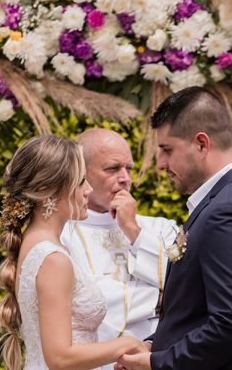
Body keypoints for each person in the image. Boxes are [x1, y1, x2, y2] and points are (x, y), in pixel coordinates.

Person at [117, 86, 232, 370]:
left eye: (167, 150)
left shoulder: (228, 212)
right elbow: (197, 311)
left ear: (201, 144)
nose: (160, 164)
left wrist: (159, 363)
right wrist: (154, 344)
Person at [0, 135, 147, 370]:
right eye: (81, 181)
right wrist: (127, 344)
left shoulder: (33, 243)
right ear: (47, 191)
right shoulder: (53, 259)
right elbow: (60, 357)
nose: (89, 190)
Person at [60, 129, 178, 368]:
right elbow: (81, 307)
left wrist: (133, 230)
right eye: (112, 169)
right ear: (81, 172)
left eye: (129, 169)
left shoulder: (162, 228)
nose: (125, 178)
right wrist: (161, 299)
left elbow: (188, 287)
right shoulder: (62, 235)